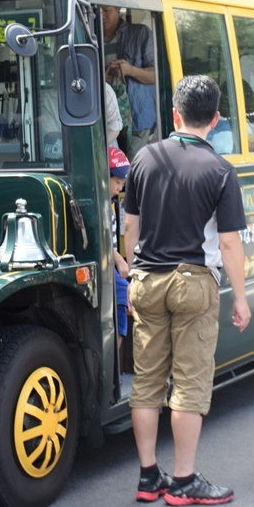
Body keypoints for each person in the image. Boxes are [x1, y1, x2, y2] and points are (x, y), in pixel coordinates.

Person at [123, 75, 251, 506]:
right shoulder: (219, 169)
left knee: (146, 382)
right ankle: (183, 480)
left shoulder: (143, 158)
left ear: (175, 114)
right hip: (193, 282)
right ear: (215, 120)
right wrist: (242, 297)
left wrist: (133, 273)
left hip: (146, 281)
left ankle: (147, 477)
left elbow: (130, 227)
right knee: (190, 385)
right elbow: (229, 244)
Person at [102, 6, 157, 159]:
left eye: (106, 10)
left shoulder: (140, 33)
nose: (101, 15)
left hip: (136, 120)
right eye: (97, 10)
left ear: (118, 8)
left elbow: (156, 76)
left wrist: (130, 70)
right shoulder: (90, 36)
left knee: (132, 169)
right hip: (104, 120)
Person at [108, 145, 132, 355]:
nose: (119, 188)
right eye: (117, 182)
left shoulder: (110, 202)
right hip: (109, 264)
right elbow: (104, 238)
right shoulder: (100, 204)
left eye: (123, 184)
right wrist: (120, 260)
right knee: (124, 292)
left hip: (112, 262)